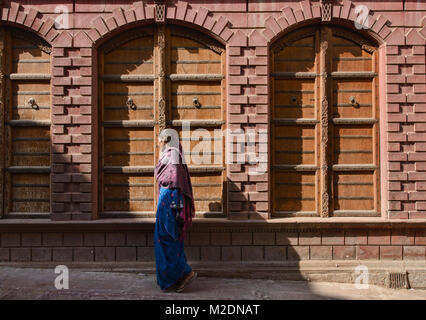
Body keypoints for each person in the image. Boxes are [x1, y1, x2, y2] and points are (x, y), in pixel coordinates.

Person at [154, 128, 197, 293]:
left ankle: (185, 273)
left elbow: (173, 180)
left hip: (170, 203)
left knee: (168, 239)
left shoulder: (172, 154)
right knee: (165, 239)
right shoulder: (169, 154)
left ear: (165, 140)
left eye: (160, 140)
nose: (158, 143)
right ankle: (175, 277)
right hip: (166, 203)